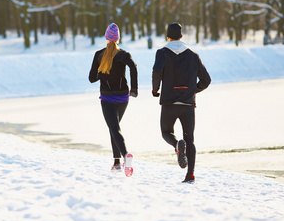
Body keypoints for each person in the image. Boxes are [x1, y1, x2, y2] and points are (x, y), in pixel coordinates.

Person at [152, 23, 211, 183]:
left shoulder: (162, 53)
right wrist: (192, 90)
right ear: (182, 36)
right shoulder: (193, 55)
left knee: (166, 132)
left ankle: (177, 144)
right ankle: (190, 174)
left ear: (167, 37)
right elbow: (206, 80)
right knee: (190, 140)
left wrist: (155, 90)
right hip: (187, 104)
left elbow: (157, 71)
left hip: (169, 102)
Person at [89, 23, 138, 177]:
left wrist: (101, 74)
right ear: (118, 39)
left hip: (108, 98)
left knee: (114, 128)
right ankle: (116, 163)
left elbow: (91, 78)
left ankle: (125, 156)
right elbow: (134, 67)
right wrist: (134, 89)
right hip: (123, 97)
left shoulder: (99, 55)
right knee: (114, 127)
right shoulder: (124, 54)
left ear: (106, 38)